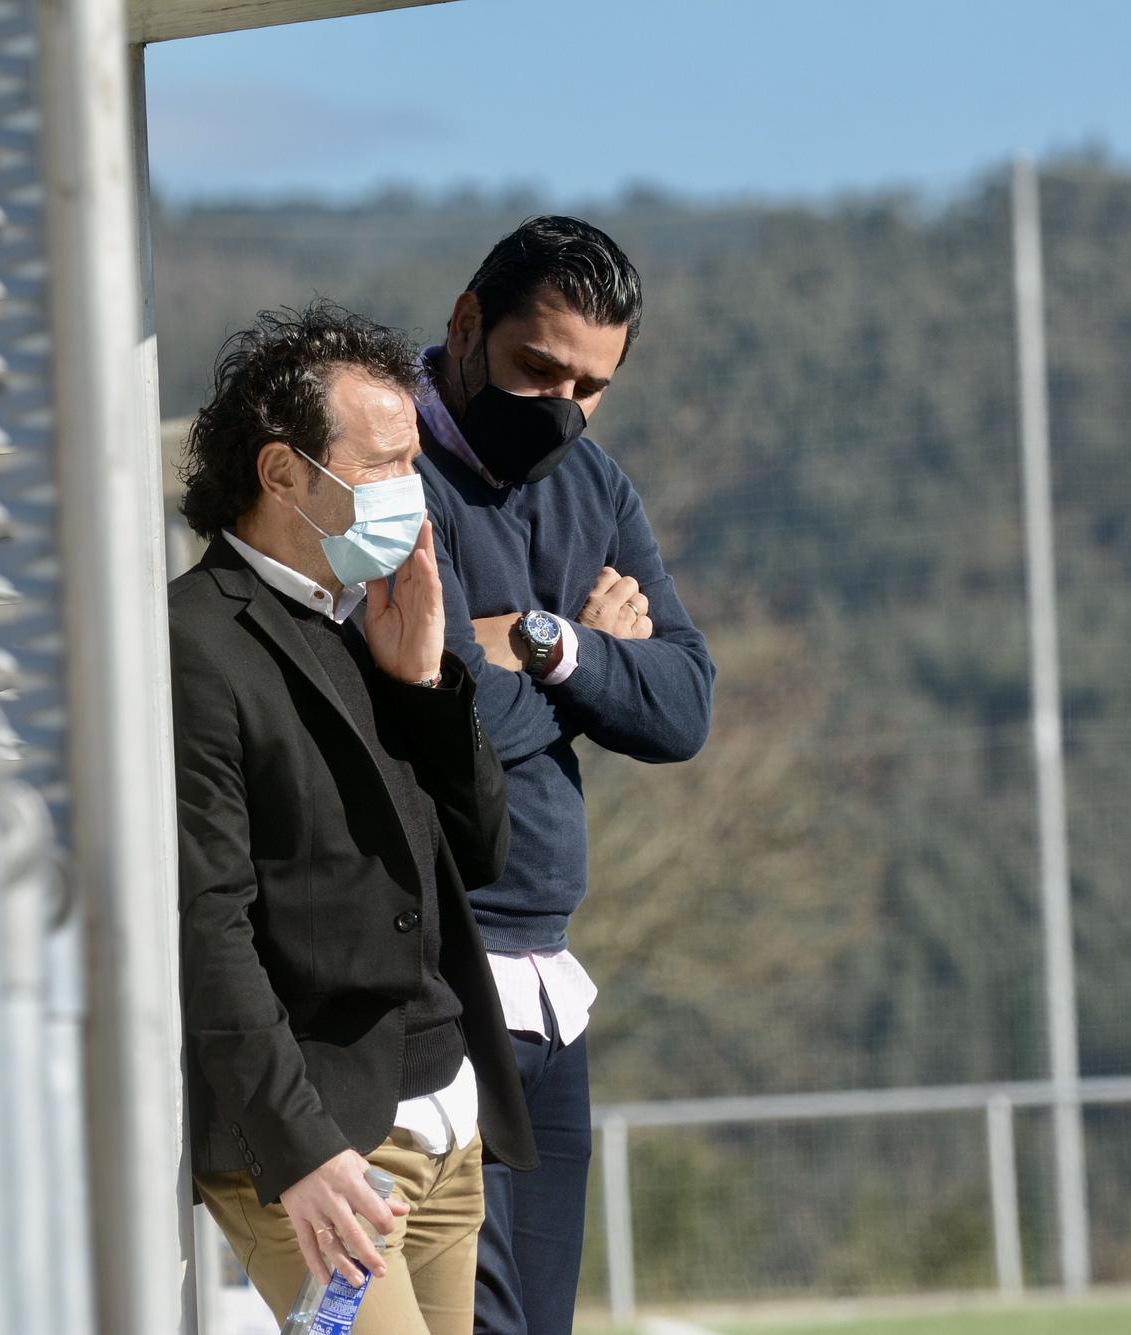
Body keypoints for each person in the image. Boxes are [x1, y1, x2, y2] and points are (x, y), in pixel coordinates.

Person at [170, 302, 537, 1335]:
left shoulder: (379, 617)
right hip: (325, 1148)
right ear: (283, 473)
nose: (408, 495)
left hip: (443, 1124)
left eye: (411, 462)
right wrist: (298, 1150)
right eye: (381, 465)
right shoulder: (194, 643)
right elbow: (206, 925)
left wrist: (424, 684)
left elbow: (480, 853)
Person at [412, 216, 716, 1335]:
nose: (559, 407)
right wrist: (586, 660)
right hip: (429, 975)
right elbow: (436, 702)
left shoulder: (593, 486)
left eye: (589, 386)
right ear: (464, 324)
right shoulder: (383, 459)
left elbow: (681, 707)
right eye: (537, 368)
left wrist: (542, 642)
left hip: (548, 978)